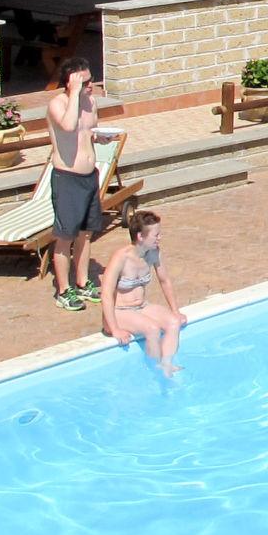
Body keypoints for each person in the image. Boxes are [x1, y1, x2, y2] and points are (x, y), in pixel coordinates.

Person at [46, 55, 103, 310]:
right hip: (67, 177)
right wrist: (74, 94)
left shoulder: (90, 102)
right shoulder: (57, 105)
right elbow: (69, 127)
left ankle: (82, 282)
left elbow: (87, 133)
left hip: (89, 177)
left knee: (85, 234)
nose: (91, 86)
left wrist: (100, 139)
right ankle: (63, 290)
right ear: (72, 82)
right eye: (86, 81)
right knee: (65, 237)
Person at [102, 210, 187, 374]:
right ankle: (155, 370)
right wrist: (114, 329)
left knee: (173, 323)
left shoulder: (153, 252)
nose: (159, 238)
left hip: (141, 306)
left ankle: (167, 365)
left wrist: (175, 311)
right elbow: (106, 294)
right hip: (118, 312)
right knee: (152, 329)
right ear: (140, 236)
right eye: (155, 235)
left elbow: (165, 281)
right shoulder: (121, 258)